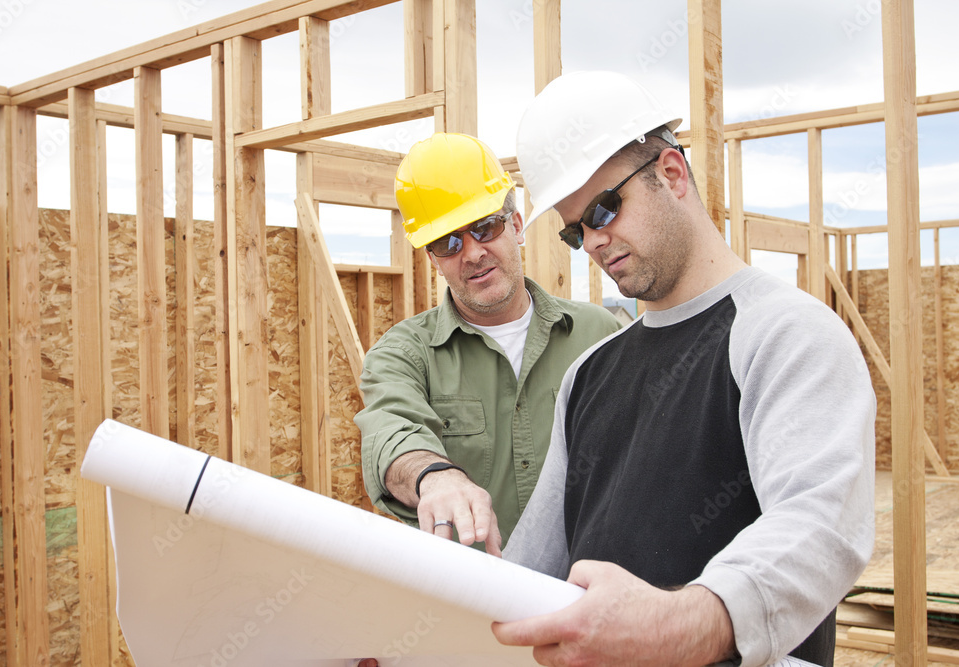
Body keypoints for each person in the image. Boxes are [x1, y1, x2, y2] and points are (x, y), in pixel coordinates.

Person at [494, 71, 876, 666]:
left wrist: (679, 624)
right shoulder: (589, 375)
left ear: (671, 174)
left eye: (604, 208)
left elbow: (819, 526)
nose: (593, 241)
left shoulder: (783, 333)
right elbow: (530, 573)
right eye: (575, 230)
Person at [355, 132, 622, 556]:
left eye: (485, 227)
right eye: (448, 242)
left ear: (516, 226)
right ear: (433, 258)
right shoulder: (403, 355)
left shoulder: (598, 334)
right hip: (471, 601)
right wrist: (435, 476)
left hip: (587, 593)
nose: (473, 253)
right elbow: (392, 433)